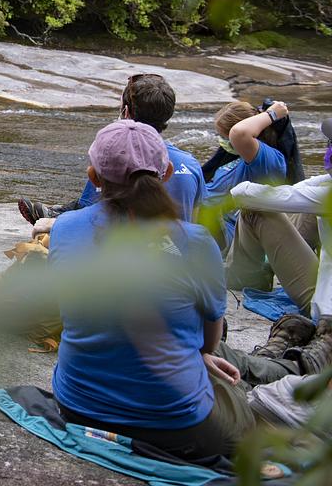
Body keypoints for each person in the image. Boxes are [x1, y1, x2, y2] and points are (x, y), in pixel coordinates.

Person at [49, 119, 257, 460]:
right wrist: (200, 355)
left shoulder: (65, 227)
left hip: (77, 409)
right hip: (176, 428)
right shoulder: (195, 241)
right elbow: (209, 341)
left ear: (94, 177)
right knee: (240, 404)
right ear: (168, 173)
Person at [17, 73, 206, 229]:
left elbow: (89, 214)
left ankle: (56, 217)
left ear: (126, 112)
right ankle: (57, 214)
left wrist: (60, 227)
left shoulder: (114, 155)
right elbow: (199, 220)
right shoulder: (191, 164)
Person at [224, 115, 332, 375]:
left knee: (255, 210)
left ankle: (246, 276)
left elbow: (244, 193)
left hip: (324, 307)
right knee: (303, 207)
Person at [207, 100, 290, 247]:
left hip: (230, 238)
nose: (223, 141)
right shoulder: (233, 157)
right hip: (207, 224)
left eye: (226, 137)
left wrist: (271, 114)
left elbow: (239, 133)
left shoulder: (268, 161)